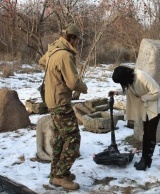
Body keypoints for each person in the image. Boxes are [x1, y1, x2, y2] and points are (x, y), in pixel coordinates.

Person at [38, 23, 88, 190]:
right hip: (60, 102)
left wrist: (55, 75)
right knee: (73, 138)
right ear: (72, 38)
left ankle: (56, 174)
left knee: (60, 138)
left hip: (51, 101)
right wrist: (84, 87)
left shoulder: (53, 49)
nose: (77, 43)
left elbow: (42, 61)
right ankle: (61, 176)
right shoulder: (65, 55)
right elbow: (73, 82)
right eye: (77, 40)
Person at [109, 66, 160, 171]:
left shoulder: (141, 76)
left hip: (156, 105)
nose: (122, 84)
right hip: (147, 106)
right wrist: (117, 92)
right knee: (146, 133)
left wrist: (143, 98)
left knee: (150, 133)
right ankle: (144, 158)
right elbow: (131, 91)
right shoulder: (130, 79)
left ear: (125, 77)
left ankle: (147, 159)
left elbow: (156, 92)